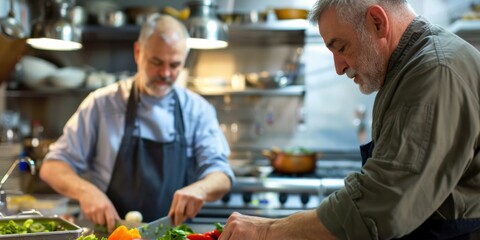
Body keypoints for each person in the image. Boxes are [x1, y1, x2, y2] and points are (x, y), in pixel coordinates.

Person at [219, 0, 480, 239]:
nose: (338, 67)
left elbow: (382, 205)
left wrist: (267, 231)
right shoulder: (412, 68)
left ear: (377, 22)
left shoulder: (433, 73)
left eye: (341, 47)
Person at [39, 14, 234, 232]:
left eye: (175, 65)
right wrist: (86, 192)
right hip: (108, 233)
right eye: (156, 62)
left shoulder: (197, 110)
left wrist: (201, 189)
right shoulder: (102, 105)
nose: (166, 73)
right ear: (138, 52)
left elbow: (221, 175)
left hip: (170, 235)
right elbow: (52, 166)